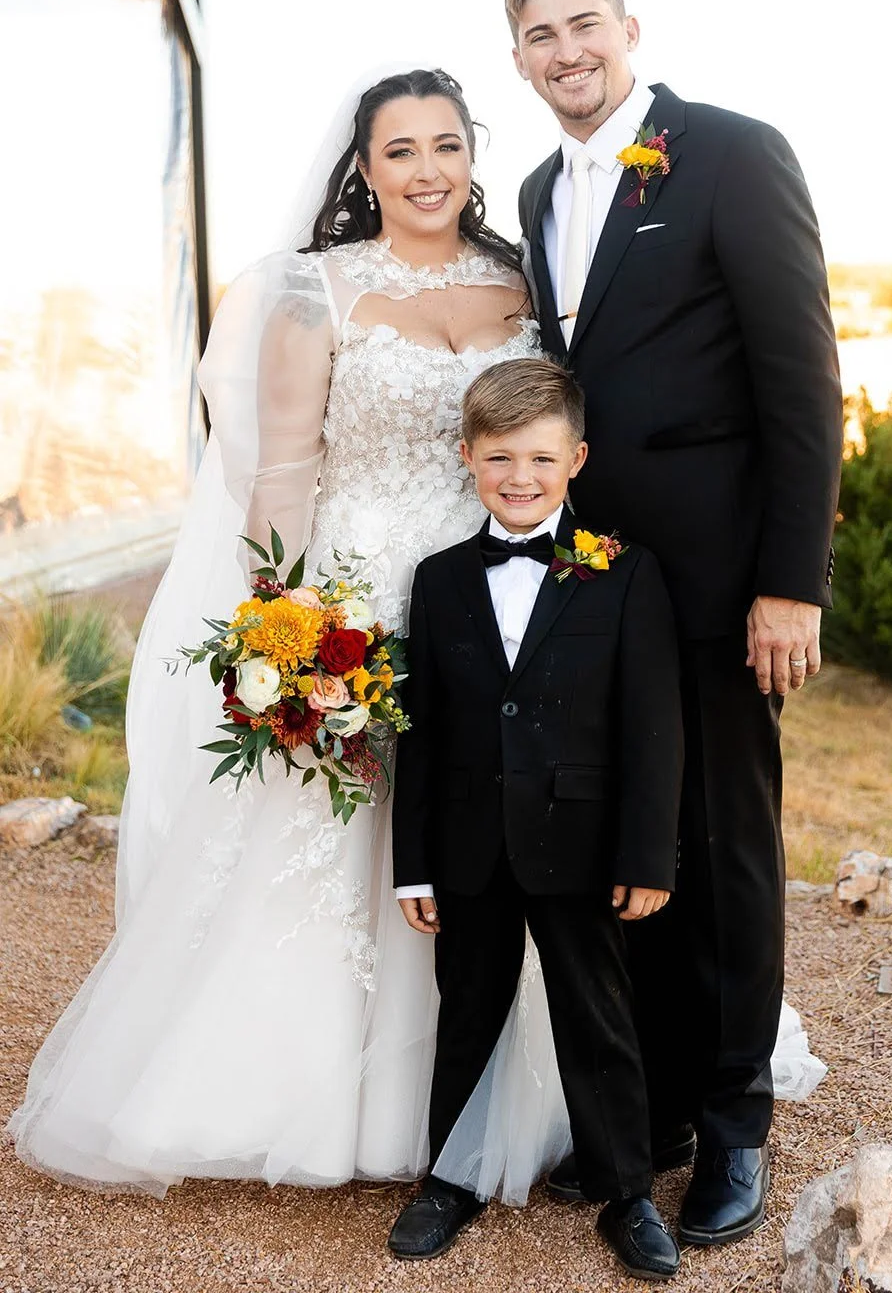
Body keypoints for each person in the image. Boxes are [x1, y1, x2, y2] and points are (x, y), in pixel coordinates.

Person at [7, 67, 569, 1200]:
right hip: (353, 597)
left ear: (474, 154)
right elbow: (277, 478)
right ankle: (298, 1098)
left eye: (445, 145)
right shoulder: (313, 292)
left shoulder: (523, 286)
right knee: (332, 836)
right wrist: (287, 636)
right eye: (399, 149)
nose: (425, 170)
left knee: (480, 832)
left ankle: (481, 1090)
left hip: (494, 606)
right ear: (361, 166)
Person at [509, 0, 844, 1246]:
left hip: (716, 588)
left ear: (627, 29)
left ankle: (732, 1124)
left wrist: (788, 588)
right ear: (520, 58)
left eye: (581, 24)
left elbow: (798, 380)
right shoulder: (540, 190)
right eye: (538, 35)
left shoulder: (730, 152)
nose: (564, 51)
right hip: (590, 587)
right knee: (625, 847)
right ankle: (641, 1113)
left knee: (721, 849)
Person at [387, 358, 684, 1279]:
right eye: (500, 458)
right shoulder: (436, 582)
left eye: (542, 460)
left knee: (596, 1014)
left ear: (577, 458)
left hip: (584, 845)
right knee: (466, 1006)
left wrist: (648, 855)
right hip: (471, 844)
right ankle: (450, 1179)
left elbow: (652, 728)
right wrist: (414, 863)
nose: (520, 479)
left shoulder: (624, 574)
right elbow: (422, 732)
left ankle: (626, 1190)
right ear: (468, 457)